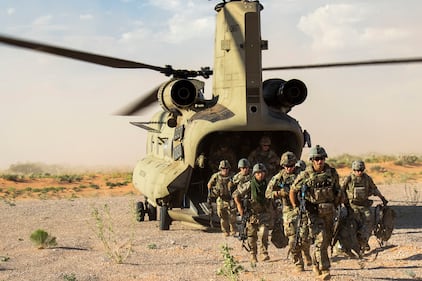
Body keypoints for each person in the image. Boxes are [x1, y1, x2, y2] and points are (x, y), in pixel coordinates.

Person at [289, 145, 341, 280]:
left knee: (326, 240)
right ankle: (325, 269)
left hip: (329, 212)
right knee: (321, 238)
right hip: (313, 212)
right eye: (317, 159)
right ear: (312, 160)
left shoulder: (332, 173)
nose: (320, 161)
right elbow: (293, 191)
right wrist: (296, 207)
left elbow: (337, 190)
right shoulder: (305, 175)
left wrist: (338, 203)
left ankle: (315, 262)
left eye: (322, 158)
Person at [266, 151, 312, 272]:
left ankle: (307, 254)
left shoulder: (302, 175)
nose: (289, 168)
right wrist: (278, 193)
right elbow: (268, 193)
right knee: (293, 238)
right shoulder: (279, 177)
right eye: (286, 166)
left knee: (305, 237)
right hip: (288, 211)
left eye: (291, 166)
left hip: (303, 208)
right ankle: (298, 262)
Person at [342, 160, 388, 254]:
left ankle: (364, 241)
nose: (359, 172)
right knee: (351, 225)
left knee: (368, 222)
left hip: (364, 206)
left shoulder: (367, 179)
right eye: (357, 170)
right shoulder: (349, 179)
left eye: (361, 170)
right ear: (353, 170)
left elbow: (374, 189)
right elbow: (341, 190)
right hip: (352, 206)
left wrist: (382, 198)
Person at [233, 163, 272, 264]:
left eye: (262, 172)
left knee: (264, 232)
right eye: (258, 173)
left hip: (264, 213)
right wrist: (240, 207)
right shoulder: (249, 184)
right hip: (252, 214)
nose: (260, 175)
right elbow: (236, 194)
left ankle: (264, 252)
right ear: (254, 174)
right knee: (252, 236)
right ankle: (253, 254)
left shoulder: (268, 184)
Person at [207, 160, 237, 236]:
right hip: (221, 199)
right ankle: (225, 231)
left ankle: (233, 229)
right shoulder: (216, 176)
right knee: (222, 216)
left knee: (232, 216)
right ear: (220, 169)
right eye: (223, 168)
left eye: (227, 168)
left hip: (230, 198)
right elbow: (209, 184)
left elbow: (238, 183)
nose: (225, 170)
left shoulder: (233, 176)